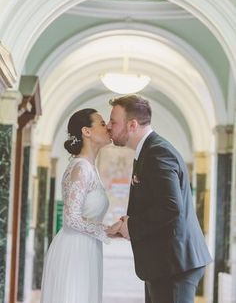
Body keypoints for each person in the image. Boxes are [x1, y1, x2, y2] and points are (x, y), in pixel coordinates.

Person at [106, 95, 212, 303]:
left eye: (113, 121)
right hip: (164, 262)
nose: (109, 126)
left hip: (174, 264)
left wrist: (132, 226)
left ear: (132, 125)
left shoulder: (158, 153)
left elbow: (171, 208)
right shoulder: (148, 151)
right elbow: (156, 204)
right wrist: (126, 225)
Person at [40, 108, 111, 303]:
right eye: (103, 124)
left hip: (88, 246)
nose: (109, 128)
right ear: (86, 131)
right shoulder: (81, 168)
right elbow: (71, 218)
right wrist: (107, 230)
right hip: (74, 249)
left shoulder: (89, 167)